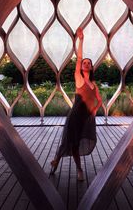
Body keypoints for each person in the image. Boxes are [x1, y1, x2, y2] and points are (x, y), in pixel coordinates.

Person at [50, 27, 102, 181]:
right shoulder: (78, 78)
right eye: (84, 63)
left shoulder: (94, 84)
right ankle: (79, 170)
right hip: (75, 117)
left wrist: (94, 111)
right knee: (72, 143)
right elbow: (78, 59)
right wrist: (81, 40)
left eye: (88, 63)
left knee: (72, 142)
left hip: (86, 119)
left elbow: (99, 100)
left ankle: (56, 160)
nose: (85, 64)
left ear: (92, 67)